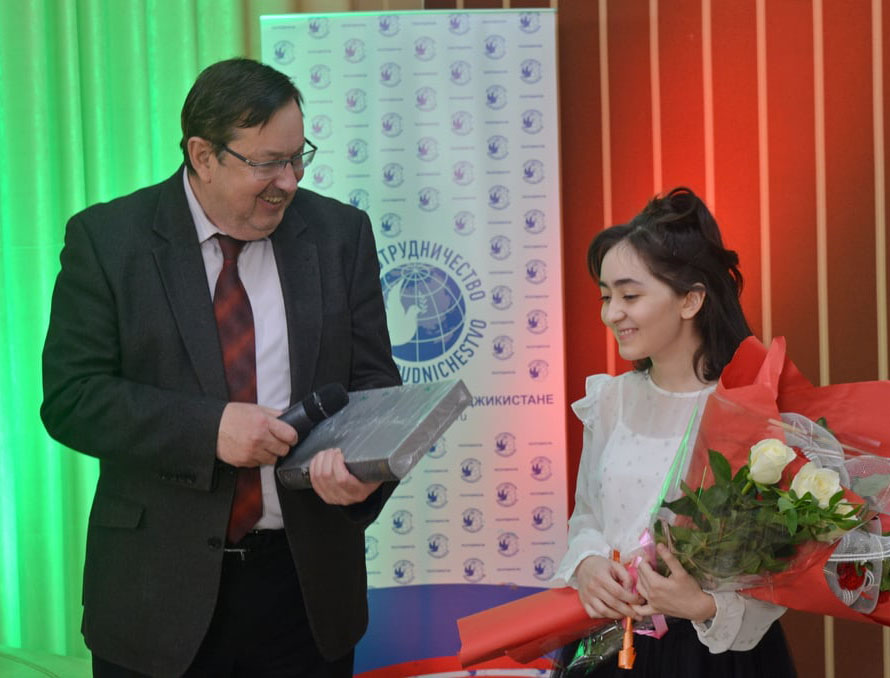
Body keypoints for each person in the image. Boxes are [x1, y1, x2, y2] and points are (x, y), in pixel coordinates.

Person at [40, 58, 400, 677]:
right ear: (202, 155)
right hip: (155, 593)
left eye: (298, 158)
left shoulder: (340, 234)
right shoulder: (109, 241)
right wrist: (211, 430)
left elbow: (375, 388)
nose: (288, 182)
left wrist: (365, 472)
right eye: (267, 163)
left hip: (306, 595)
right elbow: (73, 397)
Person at [552, 188, 797, 677]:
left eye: (630, 296)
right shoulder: (610, 400)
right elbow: (588, 516)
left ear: (691, 299)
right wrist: (589, 564)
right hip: (610, 642)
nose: (611, 313)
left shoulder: (749, 407)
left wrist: (704, 605)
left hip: (712, 656)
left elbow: (781, 567)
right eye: (606, 296)